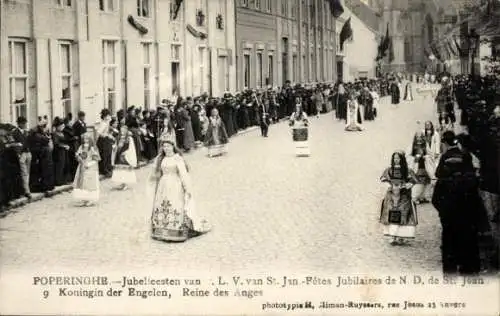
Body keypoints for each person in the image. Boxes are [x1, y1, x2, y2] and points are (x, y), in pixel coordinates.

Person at [432, 131, 481, 275]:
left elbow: (436, 199)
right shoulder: (470, 181)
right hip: (467, 224)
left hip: (449, 222)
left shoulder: (444, 181)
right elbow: (476, 203)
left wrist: (444, 213)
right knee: (469, 254)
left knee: (449, 254)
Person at [150, 138, 211, 242]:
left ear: (173, 146)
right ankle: (161, 229)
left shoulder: (177, 158)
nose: (166, 148)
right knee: (163, 205)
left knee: (175, 204)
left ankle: (176, 230)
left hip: (175, 185)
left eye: (168, 146)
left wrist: (187, 188)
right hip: (163, 185)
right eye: (164, 146)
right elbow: (156, 173)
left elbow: (183, 174)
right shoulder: (161, 158)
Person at [380, 151, 418, 245]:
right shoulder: (389, 170)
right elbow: (383, 179)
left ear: (402, 159)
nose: (396, 160)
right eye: (395, 158)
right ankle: (393, 235)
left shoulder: (407, 170)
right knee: (392, 213)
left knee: (403, 214)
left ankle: (401, 235)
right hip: (392, 195)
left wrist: (407, 185)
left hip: (403, 195)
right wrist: (390, 185)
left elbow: (414, 180)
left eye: (398, 158)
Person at [73, 132, 100, 206]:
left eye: (87, 138)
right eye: (84, 138)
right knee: (82, 183)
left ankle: (90, 199)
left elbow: (96, 159)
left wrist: (89, 164)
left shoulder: (92, 148)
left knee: (89, 184)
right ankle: (84, 199)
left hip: (90, 168)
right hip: (82, 167)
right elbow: (78, 155)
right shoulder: (81, 147)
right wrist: (78, 157)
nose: (86, 140)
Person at [407, 131, 432, 204]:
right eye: (418, 136)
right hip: (416, 166)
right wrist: (414, 158)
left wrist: (425, 157)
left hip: (425, 166)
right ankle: (415, 197)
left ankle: (425, 196)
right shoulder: (412, 145)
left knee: (426, 181)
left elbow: (430, 155)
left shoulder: (425, 145)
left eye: (421, 136)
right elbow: (408, 156)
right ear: (415, 137)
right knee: (417, 181)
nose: (419, 138)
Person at [111, 125, 138, 190]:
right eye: (121, 130)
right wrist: (114, 147)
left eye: (124, 130)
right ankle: (122, 183)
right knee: (120, 170)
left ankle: (125, 183)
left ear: (126, 131)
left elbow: (132, 147)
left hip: (125, 156)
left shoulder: (129, 139)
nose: (122, 132)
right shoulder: (118, 138)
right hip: (118, 155)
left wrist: (127, 152)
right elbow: (116, 145)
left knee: (125, 170)